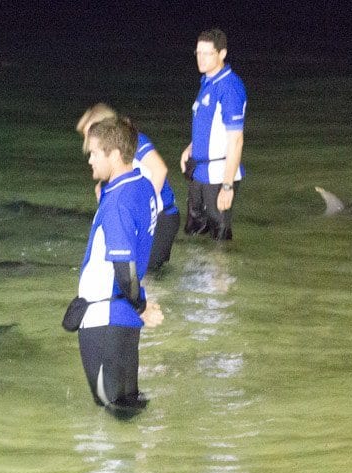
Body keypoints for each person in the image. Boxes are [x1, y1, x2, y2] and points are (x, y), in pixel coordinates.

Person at [77, 117, 164, 419]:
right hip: (123, 321)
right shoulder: (144, 187)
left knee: (110, 413)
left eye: (94, 153)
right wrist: (138, 304)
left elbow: (123, 266)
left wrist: (140, 305)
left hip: (106, 318)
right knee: (130, 408)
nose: (89, 159)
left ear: (114, 155)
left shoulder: (118, 203)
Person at [76, 103, 179, 271]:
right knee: (145, 274)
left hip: (162, 215)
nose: (89, 140)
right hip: (147, 217)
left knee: (146, 276)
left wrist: (142, 208)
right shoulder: (109, 170)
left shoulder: (133, 142)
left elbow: (160, 170)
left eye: (93, 131)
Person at [180, 28, 247, 241]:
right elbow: (208, 124)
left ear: (222, 54)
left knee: (220, 236)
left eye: (207, 53)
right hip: (199, 171)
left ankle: (222, 272)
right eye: (198, 53)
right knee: (194, 232)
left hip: (219, 173)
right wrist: (191, 148)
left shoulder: (230, 87)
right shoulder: (207, 81)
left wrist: (227, 186)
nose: (201, 58)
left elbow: (236, 140)